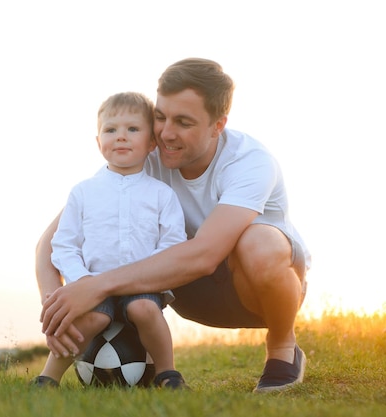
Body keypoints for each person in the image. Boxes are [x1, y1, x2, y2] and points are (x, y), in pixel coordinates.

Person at [37, 58, 311, 393]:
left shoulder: (250, 162)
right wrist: (58, 309)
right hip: (186, 292)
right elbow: (48, 245)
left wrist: (96, 286)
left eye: (183, 122)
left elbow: (205, 255)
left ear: (217, 125)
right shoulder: (144, 158)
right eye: (161, 117)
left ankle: (283, 348)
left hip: (258, 292)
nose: (166, 133)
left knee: (258, 243)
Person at [33, 92, 188, 389]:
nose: (121, 137)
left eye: (132, 129)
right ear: (98, 142)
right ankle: (47, 378)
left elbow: (173, 244)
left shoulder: (161, 194)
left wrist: (152, 278)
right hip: (91, 284)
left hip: (143, 286)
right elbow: (64, 244)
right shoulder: (83, 192)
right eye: (110, 130)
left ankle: (168, 374)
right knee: (90, 320)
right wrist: (81, 281)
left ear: (151, 143)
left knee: (144, 310)